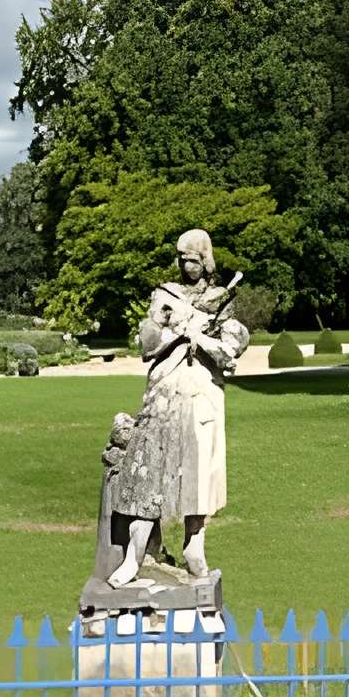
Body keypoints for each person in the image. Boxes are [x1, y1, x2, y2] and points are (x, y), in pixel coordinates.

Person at [111, 228, 244, 585]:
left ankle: (194, 546)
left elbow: (232, 347)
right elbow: (147, 343)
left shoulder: (220, 298)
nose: (189, 267)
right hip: (165, 391)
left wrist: (204, 336)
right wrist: (176, 329)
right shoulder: (165, 295)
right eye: (184, 260)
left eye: (195, 261)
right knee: (147, 473)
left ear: (206, 261)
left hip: (202, 392)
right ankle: (134, 556)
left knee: (200, 475)